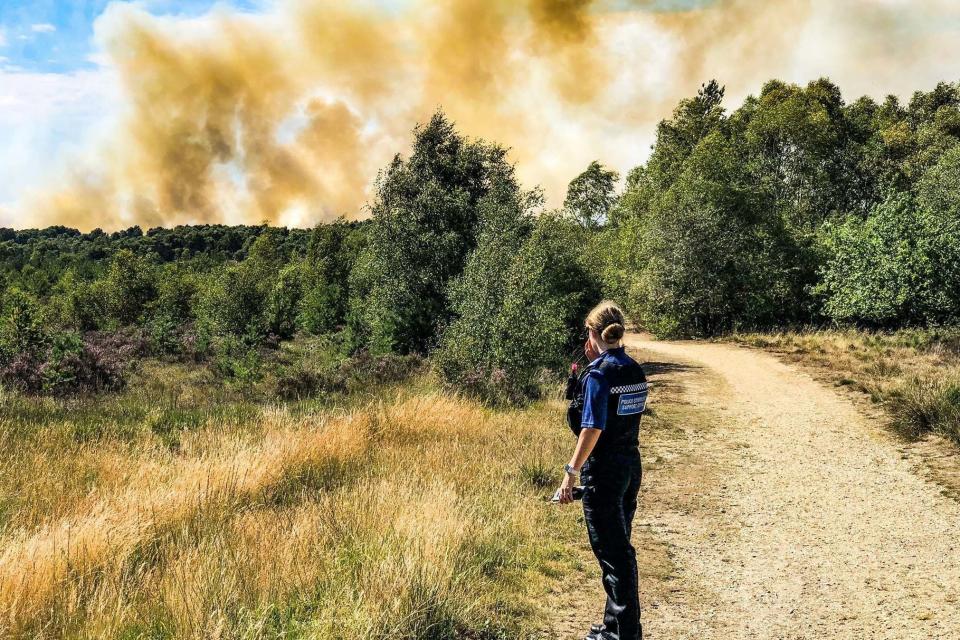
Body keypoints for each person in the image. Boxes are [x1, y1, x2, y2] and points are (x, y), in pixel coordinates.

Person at [557, 300, 648, 640]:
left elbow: (591, 428)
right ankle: (613, 623)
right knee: (619, 545)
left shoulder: (598, 376)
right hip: (630, 465)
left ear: (592, 334)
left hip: (605, 471)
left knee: (614, 555)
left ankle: (623, 633)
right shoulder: (633, 370)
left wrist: (571, 471)